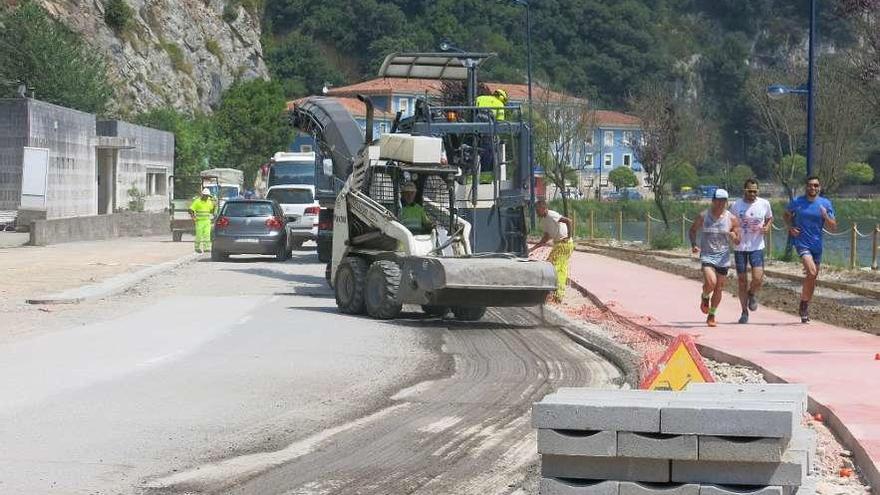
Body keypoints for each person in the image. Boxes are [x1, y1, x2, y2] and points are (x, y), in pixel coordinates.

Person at [784, 176, 837, 323]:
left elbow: (833, 226)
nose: (812, 188)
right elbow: (786, 215)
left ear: (819, 187)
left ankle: (804, 303)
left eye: (816, 185)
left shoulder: (825, 203)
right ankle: (804, 304)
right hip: (802, 243)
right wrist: (790, 228)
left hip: (817, 245)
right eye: (810, 185)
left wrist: (826, 216)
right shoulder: (797, 202)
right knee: (812, 272)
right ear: (806, 187)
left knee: (812, 277)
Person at [689, 188, 741, 327]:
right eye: (718, 200)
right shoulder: (704, 216)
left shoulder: (732, 219)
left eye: (723, 201)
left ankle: (712, 314)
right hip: (707, 255)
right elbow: (692, 230)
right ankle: (705, 296)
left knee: (719, 287)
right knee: (711, 282)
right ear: (713, 201)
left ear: (727, 202)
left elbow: (738, 240)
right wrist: (694, 244)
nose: (720, 203)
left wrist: (734, 236)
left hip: (723, 258)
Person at [730, 178, 774, 324]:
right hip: (740, 248)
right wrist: (734, 236)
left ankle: (752, 293)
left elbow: (769, 218)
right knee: (742, 280)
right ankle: (744, 312)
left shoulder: (764, 204)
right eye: (750, 191)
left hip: (757, 247)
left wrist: (767, 227)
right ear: (744, 190)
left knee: (758, 278)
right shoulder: (736, 205)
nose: (753, 194)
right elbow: (730, 224)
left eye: (755, 191)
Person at [529, 200, 574, 303]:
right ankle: (557, 294)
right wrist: (533, 248)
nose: (536, 213)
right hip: (558, 244)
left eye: (537, 210)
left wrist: (569, 236)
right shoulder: (544, 221)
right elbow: (546, 237)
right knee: (559, 267)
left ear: (543, 208)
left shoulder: (551, 215)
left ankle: (558, 295)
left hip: (564, 244)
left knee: (556, 268)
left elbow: (568, 221)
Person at [189, 188, 216, 254]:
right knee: (199, 235)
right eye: (206, 196)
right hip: (199, 221)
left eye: (208, 196)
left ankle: (206, 248)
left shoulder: (209, 202)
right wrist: (193, 217)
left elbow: (211, 211)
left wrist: (215, 206)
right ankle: (197, 248)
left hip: (207, 221)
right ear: (203, 195)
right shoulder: (197, 201)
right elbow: (190, 209)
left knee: (207, 235)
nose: (207, 197)